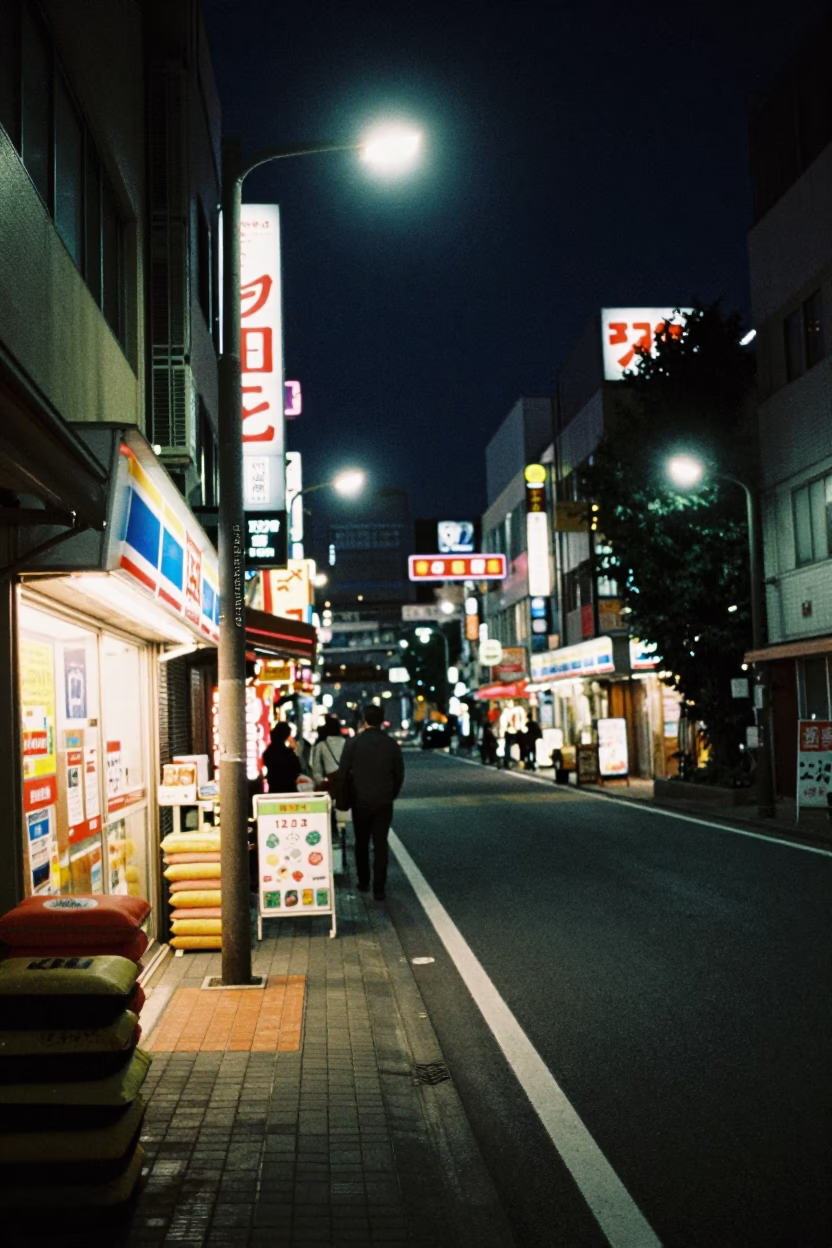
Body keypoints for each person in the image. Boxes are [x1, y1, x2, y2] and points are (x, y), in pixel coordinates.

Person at [336, 703, 404, 901]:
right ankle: (379, 888)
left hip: (360, 800)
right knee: (381, 843)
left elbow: (343, 773)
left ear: (364, 720)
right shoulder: (390, 744)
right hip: (383, 800)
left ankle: (363, 880)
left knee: (362, 842)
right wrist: (391, 793)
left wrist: (344, 797)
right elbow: (399, 773)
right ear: (381, 720)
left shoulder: (353, 743)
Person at [311, 714, 349, 852]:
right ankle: (344, 838)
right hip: (346, 785)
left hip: (331, 786)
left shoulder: (321, 745)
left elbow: (316, 769)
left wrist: (322, 782)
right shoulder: (347, 743)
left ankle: (333, 844)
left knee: (330, 815)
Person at [262, 722, 302, 794]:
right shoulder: (288, 753)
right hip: (288, 790)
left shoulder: (268, 752)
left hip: (274, 789)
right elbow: (298, 769)